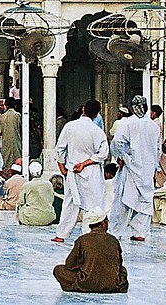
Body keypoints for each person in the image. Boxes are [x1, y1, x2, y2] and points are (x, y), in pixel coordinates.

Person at [53, 99, 109, 243]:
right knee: (93, 204)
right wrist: (85, 163)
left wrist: (62, 167)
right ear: (97, 114)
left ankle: (61, 234)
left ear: (83, 110)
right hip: (92, 171)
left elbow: (60, 149)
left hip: (73, 171)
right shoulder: (98, 132)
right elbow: (103, 154)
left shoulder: (70, 127)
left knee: (70, 203)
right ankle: (89, 233)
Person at [109, 95, 159, 241]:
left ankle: (115, 232)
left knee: (123, 199)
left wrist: (121, 156)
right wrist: (154, 165)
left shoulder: (128, 123)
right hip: (148, 167)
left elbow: (117, 141)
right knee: (145, 200)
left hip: (131, 166)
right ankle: (140, 233)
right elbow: (157, 148)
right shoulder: (153, 126)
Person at [53, 211, 129, 294]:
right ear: (103, 223)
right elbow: (119, 264)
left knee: (59, 270)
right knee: (123, 270)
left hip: (87, 284)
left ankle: (81, 287)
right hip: (112, 285)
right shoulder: (113, 240)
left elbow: (70, 264)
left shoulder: (82, 240)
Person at [18, 161, 57, 226]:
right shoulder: (49, 184)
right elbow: (51, 199)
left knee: (20, 206)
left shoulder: (27, 185)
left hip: (30, 218)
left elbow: (21, 202)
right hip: (47, 218)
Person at [0, 99, 22, 172]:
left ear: (6, 106)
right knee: (17, 162)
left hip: (6, 143)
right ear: (15, 105)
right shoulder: (17, 115)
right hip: (16, 142)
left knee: (6, 163)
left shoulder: (2, 117)